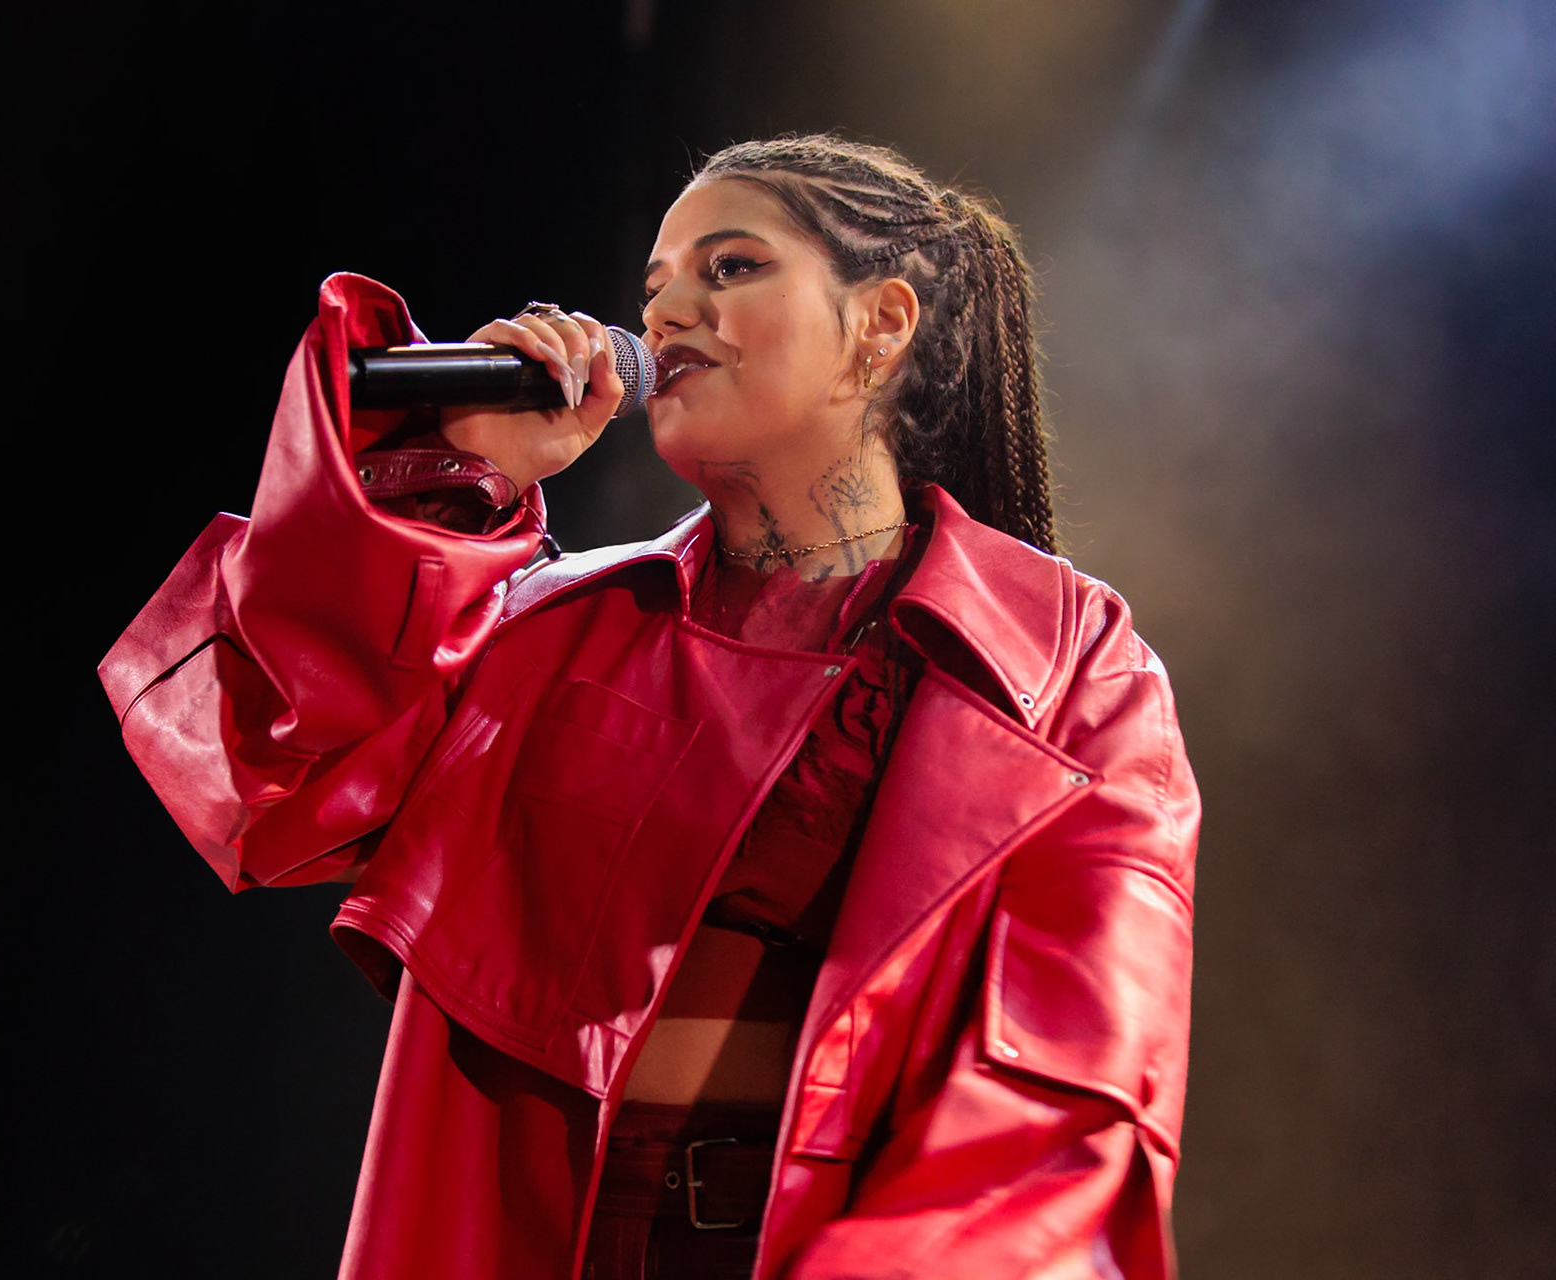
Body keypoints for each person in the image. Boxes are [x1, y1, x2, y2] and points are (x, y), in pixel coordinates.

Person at [99, 134, 1200, 1280]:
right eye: (656, 285)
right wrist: (458, 476)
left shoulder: (1064, 662)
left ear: (881, 324)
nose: (668, 312)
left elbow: (1069, 1086)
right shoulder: (554, 625)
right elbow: (279, 753)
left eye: (729, 269)